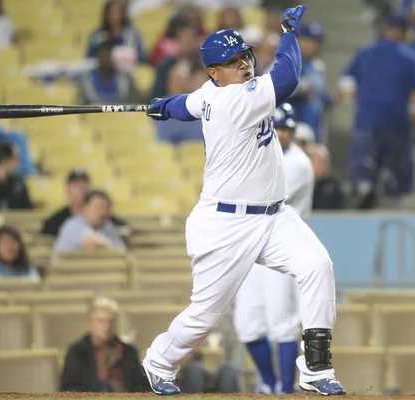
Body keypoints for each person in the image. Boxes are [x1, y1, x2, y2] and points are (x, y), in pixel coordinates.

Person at [141, 5, 345, 396]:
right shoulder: (234, 100)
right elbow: (287, 76)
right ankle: (159, 361)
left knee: (318, 266)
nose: (245, 65)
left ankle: (317, 368)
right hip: (225, 225)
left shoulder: (212, 95)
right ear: (214, 73)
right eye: (232, 62)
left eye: (246, 56)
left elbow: (189, 105)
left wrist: (165, 106)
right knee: (205, 317)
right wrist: (287, 33)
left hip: (273, 217)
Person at [233, 103, 313, 395]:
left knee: (283, 323)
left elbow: (262, 200)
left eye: (285, 129)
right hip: (252, 251)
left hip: (283, 248)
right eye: (276, 128)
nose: (281, 134)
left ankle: (286, 389)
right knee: (247, 325)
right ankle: (269, 382)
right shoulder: (262, 154)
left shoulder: (298, 164)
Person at [338, 14, 415, 209]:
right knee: (395, 181)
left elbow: (345, 84)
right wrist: (414, 113)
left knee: (364, 173)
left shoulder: (365, 53)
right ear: (405, 33)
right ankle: (390, 202)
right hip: (396, 123)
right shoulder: (409, 56)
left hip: (367, 121)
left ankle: (365, 190)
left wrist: (360, 97)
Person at [60, 296, 149, 392]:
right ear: (89, 324)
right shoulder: (76, 352)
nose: (107, 326)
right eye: (101, 321)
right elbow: (69, 388)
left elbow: (140, 387)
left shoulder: (129, 351)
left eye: (111, 321)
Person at [41, 169, 130, 239]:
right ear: (68, 189)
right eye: (77, 185)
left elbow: (123, 227)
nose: (81, 190)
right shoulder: (60, 220)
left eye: (85, 185)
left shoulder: (102, 217)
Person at [52, 189, 126, 259]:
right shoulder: (73, 225)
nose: (103, 212)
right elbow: (96, 243)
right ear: (85, 207)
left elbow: (122, 250)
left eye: (106, 208)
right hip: (67, 271)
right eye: (98, 207)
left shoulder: (107, 225)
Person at [76, 32, 142, 105]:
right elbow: (80, 110)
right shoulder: (86, 80)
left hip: (121, 116)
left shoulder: (126, 79)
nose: (107, 55)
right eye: (103, 51)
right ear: (96, 55)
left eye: (110, 51)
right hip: (94, 116)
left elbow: (135, 107)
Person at [85, 0, 148, 68]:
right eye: (111, 12)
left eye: (117, 11)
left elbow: (141, 57)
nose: (114, 15)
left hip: (128, 72)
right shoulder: (98, 35)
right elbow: (89, 58)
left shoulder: (132, 34)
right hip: (104, 72)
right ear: (106, 13)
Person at [308, 144, 345, 210]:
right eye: (320, 162)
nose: (325, 166)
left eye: (326, 162)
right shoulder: (303, 182)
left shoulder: (333, 185)